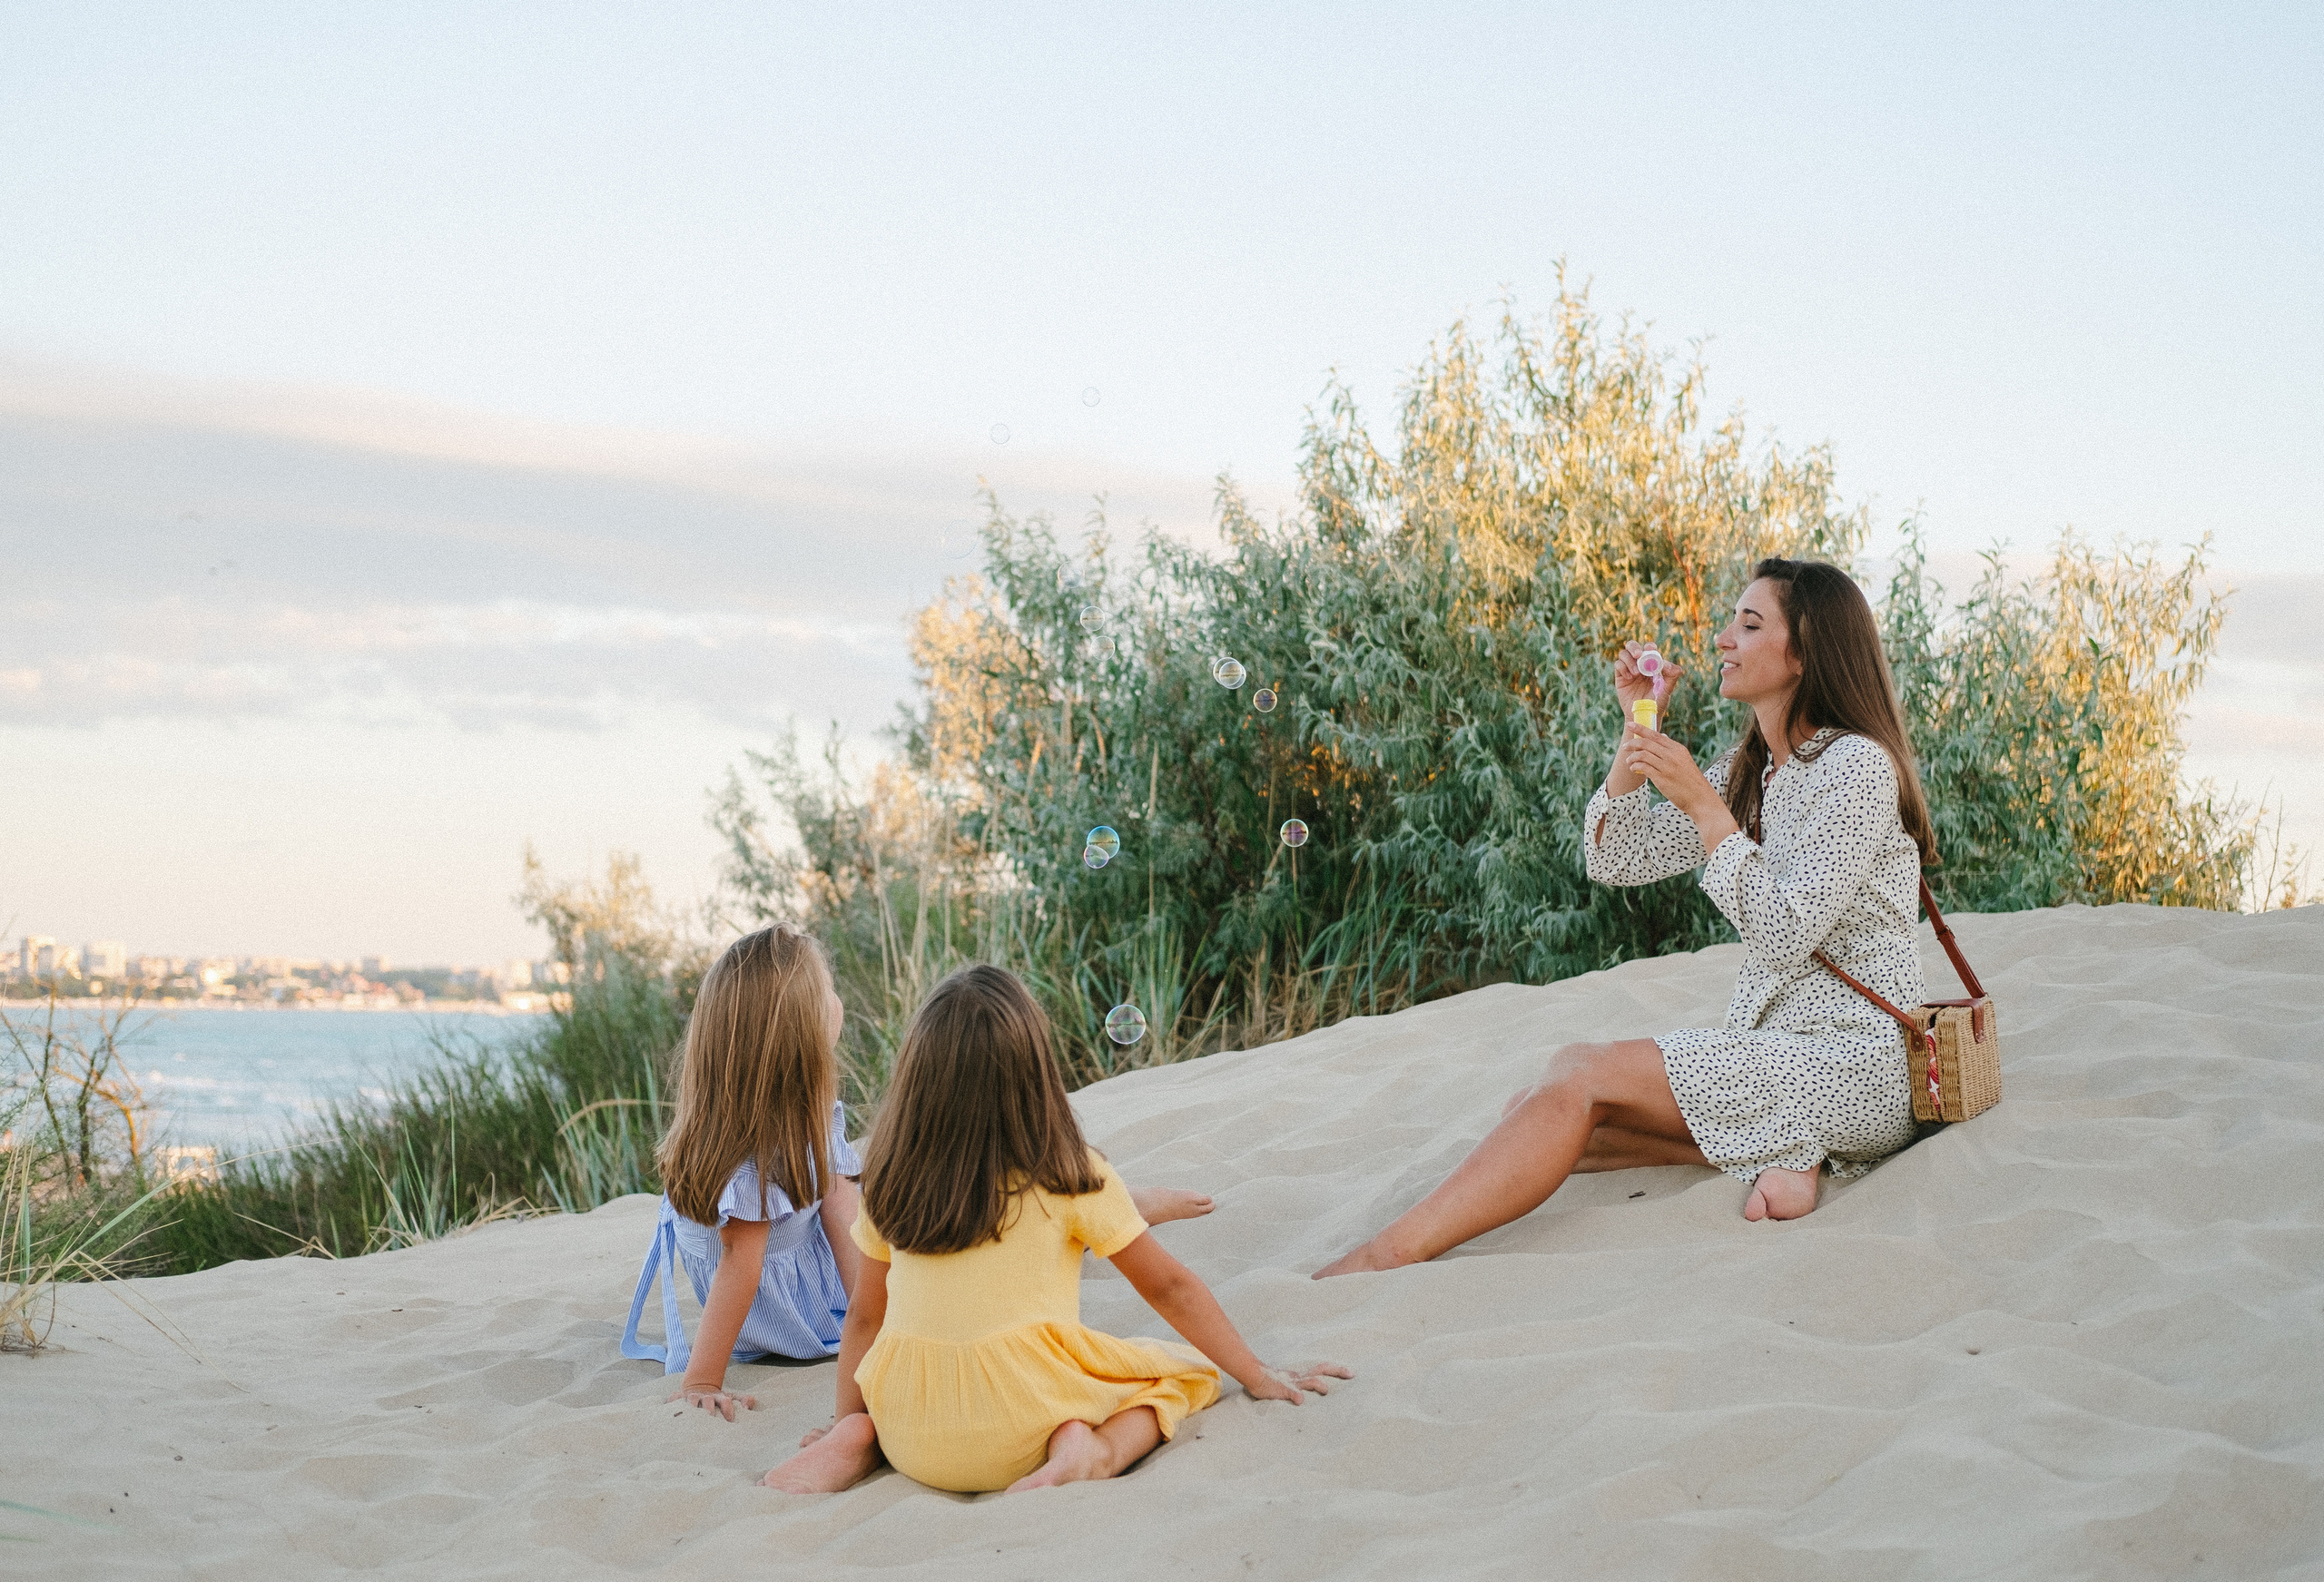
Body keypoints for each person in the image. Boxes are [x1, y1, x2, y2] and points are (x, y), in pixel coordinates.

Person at [1316, 557, 1938, 1278]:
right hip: (1778, 1053)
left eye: (1749, 623)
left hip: (1853, 1063)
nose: (1722, 639)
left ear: (1804, 652)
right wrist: (1637, 729)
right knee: (1544, 1106)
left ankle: (1387, 1253)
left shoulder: (1855, 766)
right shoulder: (1757, 769)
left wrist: (1708, 815)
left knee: (1578, 1078)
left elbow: (1784, 935)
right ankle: (1793, 1151)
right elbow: (1616, 857)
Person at [761, 964, 1352, 1494]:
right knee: (1188, 1372)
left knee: (873, 1413)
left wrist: (849, 1418)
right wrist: (1255, 1371)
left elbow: (866, 1315)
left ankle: (856, 1439)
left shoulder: (891, 1181)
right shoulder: (1072, 1173)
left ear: (917, 1083)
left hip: (908, 1428)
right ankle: (1092, 1448)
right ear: (1035, 1073)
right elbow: (1169, 1287)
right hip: (1020, 1426)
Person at [624, 927, 1216, 1420]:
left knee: (923, 1201)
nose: (837, 1001)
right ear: (799, 1034)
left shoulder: (747, 1119)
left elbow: (836, 1205)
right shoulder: (754, 1162)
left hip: (827, 1265)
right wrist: (701, 1378)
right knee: (970, 1233)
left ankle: (1105, 1202)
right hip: (806, 1313)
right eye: (827, 992)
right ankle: (1098, 1201)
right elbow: (742, 1264)